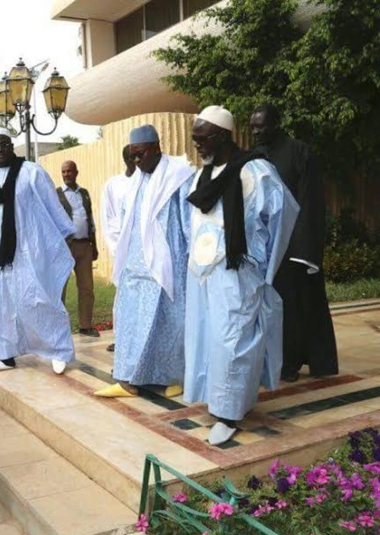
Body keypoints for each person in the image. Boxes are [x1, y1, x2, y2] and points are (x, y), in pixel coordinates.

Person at [183, 106, 299, 445]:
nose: (197, 145)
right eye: (194, 139)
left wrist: (264, 267)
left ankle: (230, 412)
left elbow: (281, 214)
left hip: (238, 273)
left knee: (234, 340)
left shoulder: (255, 171)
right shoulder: (203, 174)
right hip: (204, 274)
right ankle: (224, 400)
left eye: (201, 138)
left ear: (221, 135)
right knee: (210, 339)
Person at [93, 125, 194, 398]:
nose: (136, 162)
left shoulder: (180, 177)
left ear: (156, 148)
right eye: (133, 156)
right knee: (132, 322)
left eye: (140, 155)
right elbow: (128, 219)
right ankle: (129, 379)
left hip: (167, 265)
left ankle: (174, 377)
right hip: (135, 266)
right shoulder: (138, 180)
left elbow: (189, 223)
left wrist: (189, 262)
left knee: (169, 324)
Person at [0, 129, 76, 375]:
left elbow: (51, 205)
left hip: (26, 250)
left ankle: (59, 351)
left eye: (4, 145)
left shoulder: (31, 172)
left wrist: (60, 235)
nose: (0, 150)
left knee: (38, 298)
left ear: (11, 145)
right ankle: (5, 356)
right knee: (0, 304)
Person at [250, 104, 338, 383]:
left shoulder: (300, 152)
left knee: (298, 307)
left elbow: (310, 203)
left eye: (260, 126)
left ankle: (294, 363)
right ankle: (274, 360)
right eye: (252, 126)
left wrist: (303, 251)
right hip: (264, 249)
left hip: (294, 248)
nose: (255, 131)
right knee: (271, 308)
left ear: (277, 123)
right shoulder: (254, 157)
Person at [100, 145, 138, 353]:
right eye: (134, 157)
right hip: (124, 251)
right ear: (126, 160)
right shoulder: (114, 185)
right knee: (123, 295)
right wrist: (122, 247)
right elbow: (109, 219)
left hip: (146, 251)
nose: (137, 160)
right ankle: (121, 337)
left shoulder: (150, 181)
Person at [57, 160, 99, 337]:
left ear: (76, 172)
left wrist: (94, 245)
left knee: (87, 287)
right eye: (64, 172)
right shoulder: (56, 194)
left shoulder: (84, 193)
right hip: (65, 248)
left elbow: (90, 219)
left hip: (84, 246)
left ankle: (85, 325)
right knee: (60, 289)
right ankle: (59, 329)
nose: (66, 174)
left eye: (69, 171)